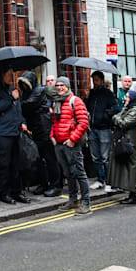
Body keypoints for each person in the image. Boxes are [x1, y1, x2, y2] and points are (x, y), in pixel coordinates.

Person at [49, 76, 91, 216]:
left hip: (71, 144)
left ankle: (86, 203)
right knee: (68, 173)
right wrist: (52, 136)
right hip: (59, 144)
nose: (60, 87)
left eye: (62, 85)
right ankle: (73, 200)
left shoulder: (75, 101)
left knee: (79, 172)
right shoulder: (56, 102)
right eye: (58, 85)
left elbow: (83, 123)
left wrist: (73, 139)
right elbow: (54, 122)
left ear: (68, 86)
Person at [0, 68, 28, 205]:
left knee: (16, 164)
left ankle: (17, 192)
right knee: (4, 165)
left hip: (14, 131)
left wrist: (22, 122)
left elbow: (17, 108)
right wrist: (11, 98)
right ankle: (4, 193)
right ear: (1, 75)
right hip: (2, 132)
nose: (11, 77)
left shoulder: (11, 89)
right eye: (9, 74)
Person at [19, 71, 62, 197]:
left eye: (25, 84)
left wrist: (15, 100)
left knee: (50, 158)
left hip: (44, 128)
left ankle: (56, 185)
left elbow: (27, 105)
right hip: (35, 128)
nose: (24, 87)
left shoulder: (39, 91)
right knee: (39, 159)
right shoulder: (27, 92)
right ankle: (44, 184)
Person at [109, 89, 136, 205]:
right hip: (128, 141)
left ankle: (134, 194)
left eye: (127, 97)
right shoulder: (129, 109)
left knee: (132, 167)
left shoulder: (135, 111)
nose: (125, 99)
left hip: (131, 142)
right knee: (130, 166)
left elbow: (123, 123)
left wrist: (115, 117)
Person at [86, 70, 118, 191]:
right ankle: (100, 180)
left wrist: (105, 116)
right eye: (93, 80)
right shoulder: (92, 93)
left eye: (97, 80)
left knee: (105, 157)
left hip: (104, 128)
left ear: (102, 80)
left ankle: (109, 181)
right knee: (96, 157)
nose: (95, 82)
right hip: (93, 128)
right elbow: (87, 107)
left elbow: (115, 108)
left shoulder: (108, 93)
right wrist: (87, 98)